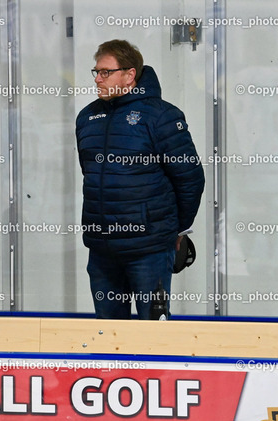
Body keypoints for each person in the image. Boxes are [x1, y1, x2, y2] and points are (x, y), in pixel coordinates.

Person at [75, 40, 205, 319]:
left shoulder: (162, 116)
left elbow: (190, 179)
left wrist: (176, 230)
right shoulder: (87, 118)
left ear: (129, 75)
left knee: (152, 330)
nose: (97, 79)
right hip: (102, 250)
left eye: (106, 72)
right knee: (107, 332)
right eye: (96, 72)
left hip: (149, 249)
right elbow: (91, 174)